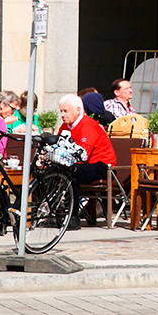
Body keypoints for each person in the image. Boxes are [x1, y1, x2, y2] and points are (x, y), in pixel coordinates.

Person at [58, 93, 117, 229]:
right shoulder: (65, 126)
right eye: (61, 111)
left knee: (72, 171)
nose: (62, 115)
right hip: (83, 164)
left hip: (102, 166)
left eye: (65, 111)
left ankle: (72, 215)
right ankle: (53, 212)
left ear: (78, 110)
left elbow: (83, 155)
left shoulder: (88, 125)